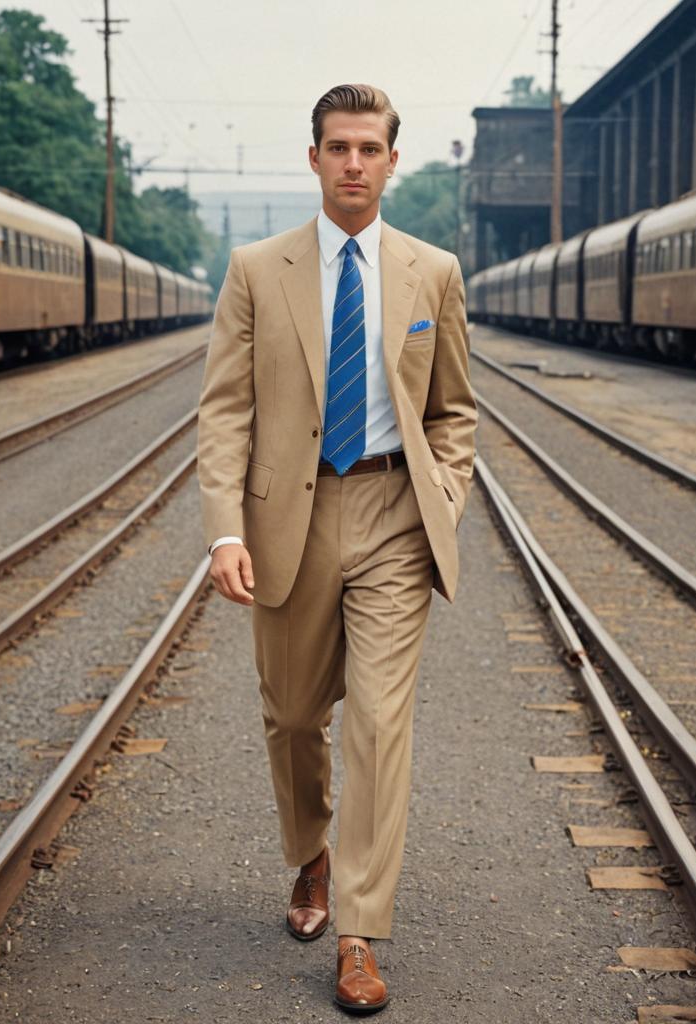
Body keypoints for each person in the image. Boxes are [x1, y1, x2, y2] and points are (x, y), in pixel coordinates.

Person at [196, 82, 477, 1014]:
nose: (355, 163)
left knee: (380, 725)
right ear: (312, 157)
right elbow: (226, 409)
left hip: (395, 513)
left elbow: (453, 409)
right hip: (291, 519)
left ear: (395, 160)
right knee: (292, 716)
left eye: (370, 148)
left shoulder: (433, 271)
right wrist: (226, 529)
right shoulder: (255, 268)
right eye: (339, 147)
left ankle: (360, 930)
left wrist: (446, 490)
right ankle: (309, 856)